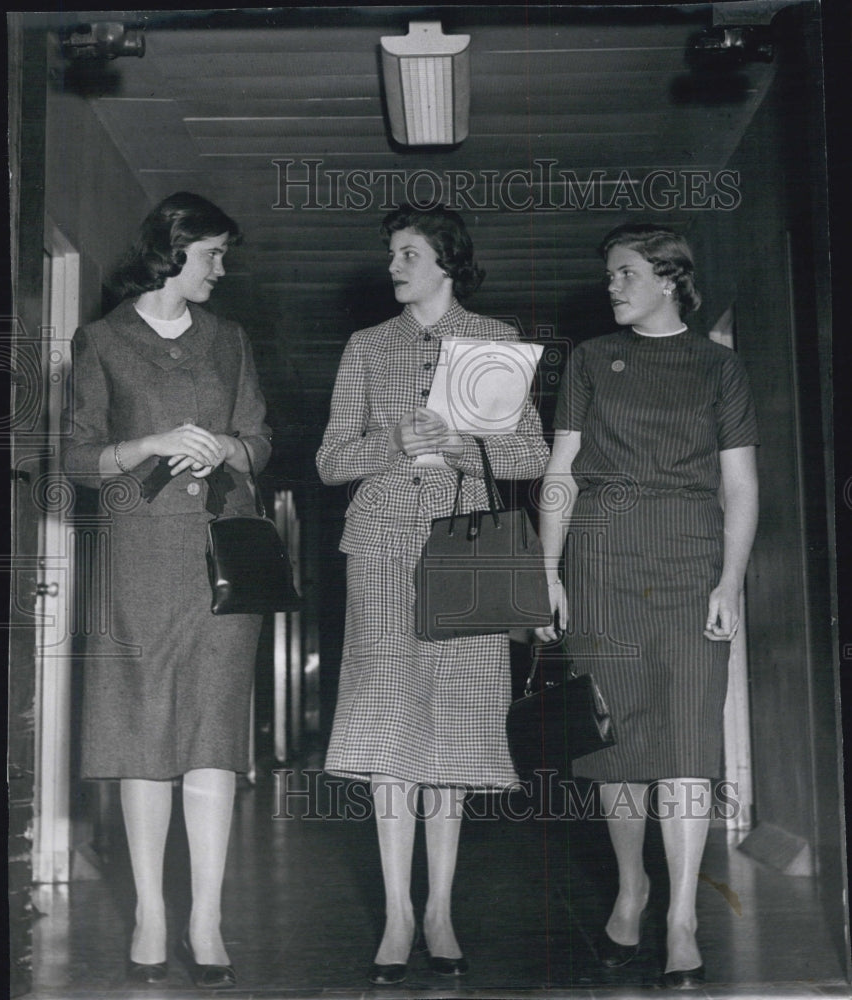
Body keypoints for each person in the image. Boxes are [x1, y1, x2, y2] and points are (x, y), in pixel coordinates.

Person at [316, 203, 549, 985]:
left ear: (446, 260)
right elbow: (328, 460)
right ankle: (396, 912)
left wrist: (461, 445)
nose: (394, 266)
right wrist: (395, 442)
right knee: (389, 718)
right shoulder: (366, 346)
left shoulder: (497, 340)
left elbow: (530, 453)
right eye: (392, 253)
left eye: (408, 253)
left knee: (454, 723)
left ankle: (441, 909)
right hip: (380, 542)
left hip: (471, 543)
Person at [536, 223, 758, 989]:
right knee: (614, 740)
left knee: (689, 736)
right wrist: (547, 572)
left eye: (626, 274)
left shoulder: (718, 367)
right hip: (601, 560)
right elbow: (561, 473)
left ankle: (683, 917)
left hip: (691, 561)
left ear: (670, 279)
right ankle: (631, 888)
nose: (613, 286)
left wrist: (730, 581)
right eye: (609, 276)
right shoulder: (592, 361)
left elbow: (740, 485)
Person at [62, 192, 272, 990]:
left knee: (213, 739)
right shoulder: (104, 340)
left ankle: (206, 917)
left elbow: (261, 438)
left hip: (223, 561)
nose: (221, 270)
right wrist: (149, 442)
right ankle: (152, 912)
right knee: (144, 738)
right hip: (140, 560)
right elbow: (80, 458)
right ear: (172, 251)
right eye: (212, 254)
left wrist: (226, 446)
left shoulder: (230, 341)